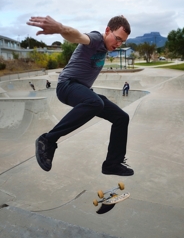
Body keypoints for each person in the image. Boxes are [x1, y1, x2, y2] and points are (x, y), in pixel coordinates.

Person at [26, 15, 134, 176]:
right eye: (117, 39)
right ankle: (47, 140)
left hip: (82, 90)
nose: (118, 44)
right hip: (66, 86)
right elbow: (77, 36)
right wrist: (60, 28)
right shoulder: (96, 39)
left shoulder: (106, 46)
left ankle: (112, 163)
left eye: (122, 42)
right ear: (107, 31)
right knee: (96, 103)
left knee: (121, 117)